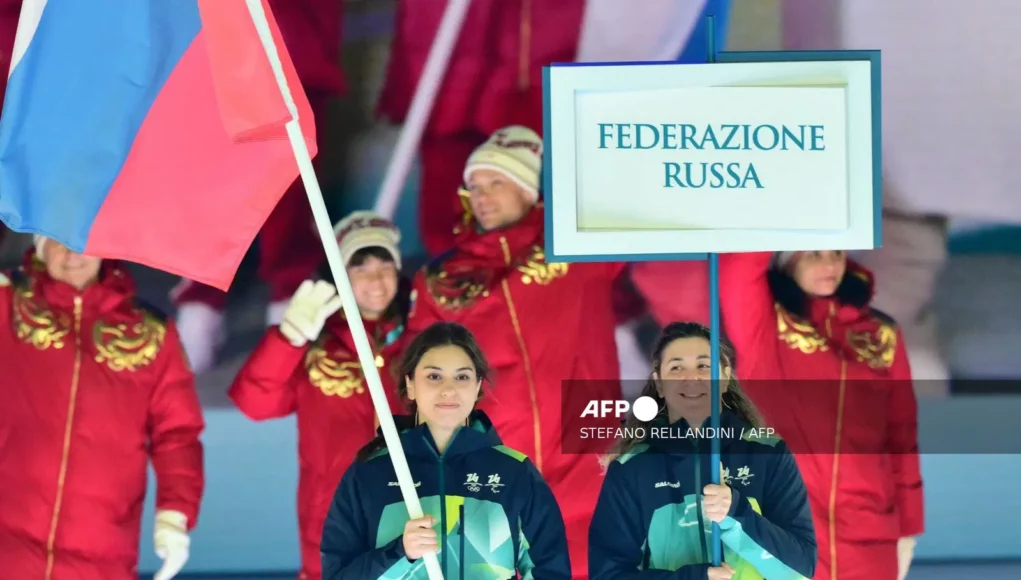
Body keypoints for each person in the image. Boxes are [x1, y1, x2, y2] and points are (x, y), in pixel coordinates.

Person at [405, 125, 624, 579]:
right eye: (475, 187)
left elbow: (633, 202)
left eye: (496, 182)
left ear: (529, 189)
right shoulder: (441, 282)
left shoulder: (577, 244)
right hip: (494, 470)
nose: (481, 196)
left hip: (588, 458)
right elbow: (415, 378)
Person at [0, 236, 204, 580]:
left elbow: (178, 434)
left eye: (82, 240)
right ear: (39, 247)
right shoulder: (9, 307)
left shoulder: (152, 334)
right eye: (57, 241)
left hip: (103, 553)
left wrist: (174, 514)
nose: (72, 254)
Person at [719, 250, 924, 580]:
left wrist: (908, 529)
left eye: (837, 253)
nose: (829, 265)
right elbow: (740, 264)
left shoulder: (882, 335)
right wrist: (794, 207)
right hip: (781, 531)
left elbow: (902, 435)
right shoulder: (764, 324)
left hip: (870, 532)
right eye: (813, 254)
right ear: (786, 260)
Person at [229, 211, 408, 580]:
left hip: (417, 521)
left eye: (384, 264)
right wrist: (289, 337)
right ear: (340, 277)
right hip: (335, 523)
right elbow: (255, 404)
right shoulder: (316, 344)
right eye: (360, 268)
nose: (376, 279)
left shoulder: (425, 336)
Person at [172, 0, 347, 374]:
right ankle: (200, 301)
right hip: (210, 48)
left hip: (291, 46)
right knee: (207, 186)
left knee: (289, 191)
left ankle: (290, 306)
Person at [320, 321, 571, 579]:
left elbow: (550, 571)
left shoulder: (514, 472)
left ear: (477, 387)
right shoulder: (370, 473)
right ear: (411, 385)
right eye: (434, 376)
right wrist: (399, 551)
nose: (448, 389)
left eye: (462, 377)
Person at [590, 322, 817, 580]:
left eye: (704, 366)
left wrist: (737, 513)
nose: (692, 378)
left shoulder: (768, 453)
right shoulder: (632, 468)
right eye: (677, 368)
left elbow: (800, 571)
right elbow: (607, 575)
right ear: (660, 384)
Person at [378, 0, 586, 257]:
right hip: (452, 48)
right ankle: (454, 276)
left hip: (542, 44)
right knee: (447, 180)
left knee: (552, 181)